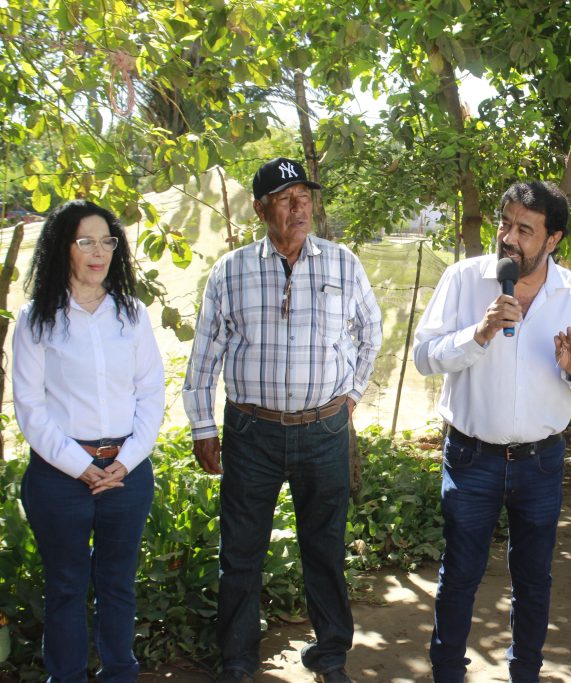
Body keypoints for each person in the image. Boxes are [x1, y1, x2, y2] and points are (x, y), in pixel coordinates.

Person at [182, 157, 382, 683]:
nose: (300, 208)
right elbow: (205, 355)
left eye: (305, 197)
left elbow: (371, 332)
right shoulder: (231, 271)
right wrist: (203, 426)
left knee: (325, 547)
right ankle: (238, 659)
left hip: (324, 431)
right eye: (286, 199)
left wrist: (351, 395)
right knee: (241, 551)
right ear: (261, 209)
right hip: (252, 432)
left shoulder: (342, 264)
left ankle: (331, 654)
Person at [413, 180, 571, 683]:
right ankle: (447, 673)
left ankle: (525, 672)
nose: (509, 237)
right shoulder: (463, 279)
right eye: (505, 224)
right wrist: (477, 334)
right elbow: (424, 356)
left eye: (525, 230)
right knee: (459, 574)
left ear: (553, 239)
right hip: (470, 459)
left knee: (533, 579)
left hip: (540, 463)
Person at [13, 200, 165, 681]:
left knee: (118, 584)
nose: (99, 252)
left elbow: (151, 393)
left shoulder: (132, 314)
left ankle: (120, 673)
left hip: (126, 474)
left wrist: (127, 460)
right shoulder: (36, 318)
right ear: (64, 248)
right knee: (66, 588)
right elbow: (30, 407)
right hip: (59, 478)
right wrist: (81, 467)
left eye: (107, 241)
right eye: (86, 242)